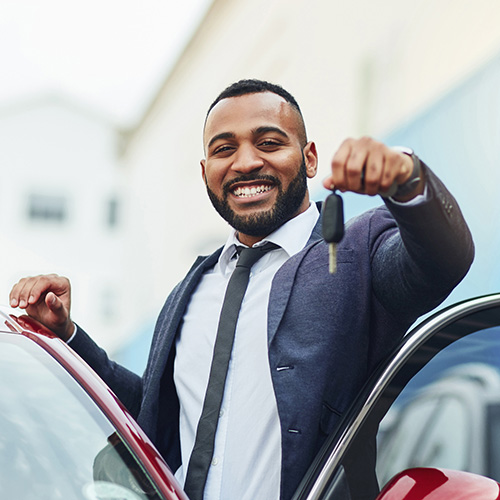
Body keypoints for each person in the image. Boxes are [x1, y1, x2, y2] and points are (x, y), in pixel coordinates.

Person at [9, 79, 474, 500]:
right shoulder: (192, 289)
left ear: (309, 158)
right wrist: (68, 336)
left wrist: (408, 179)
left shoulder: (355, 255)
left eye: (269, 143)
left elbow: (443, 259)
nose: (246, 162)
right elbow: (151, 421)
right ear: (206, 169)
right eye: (224, 149)